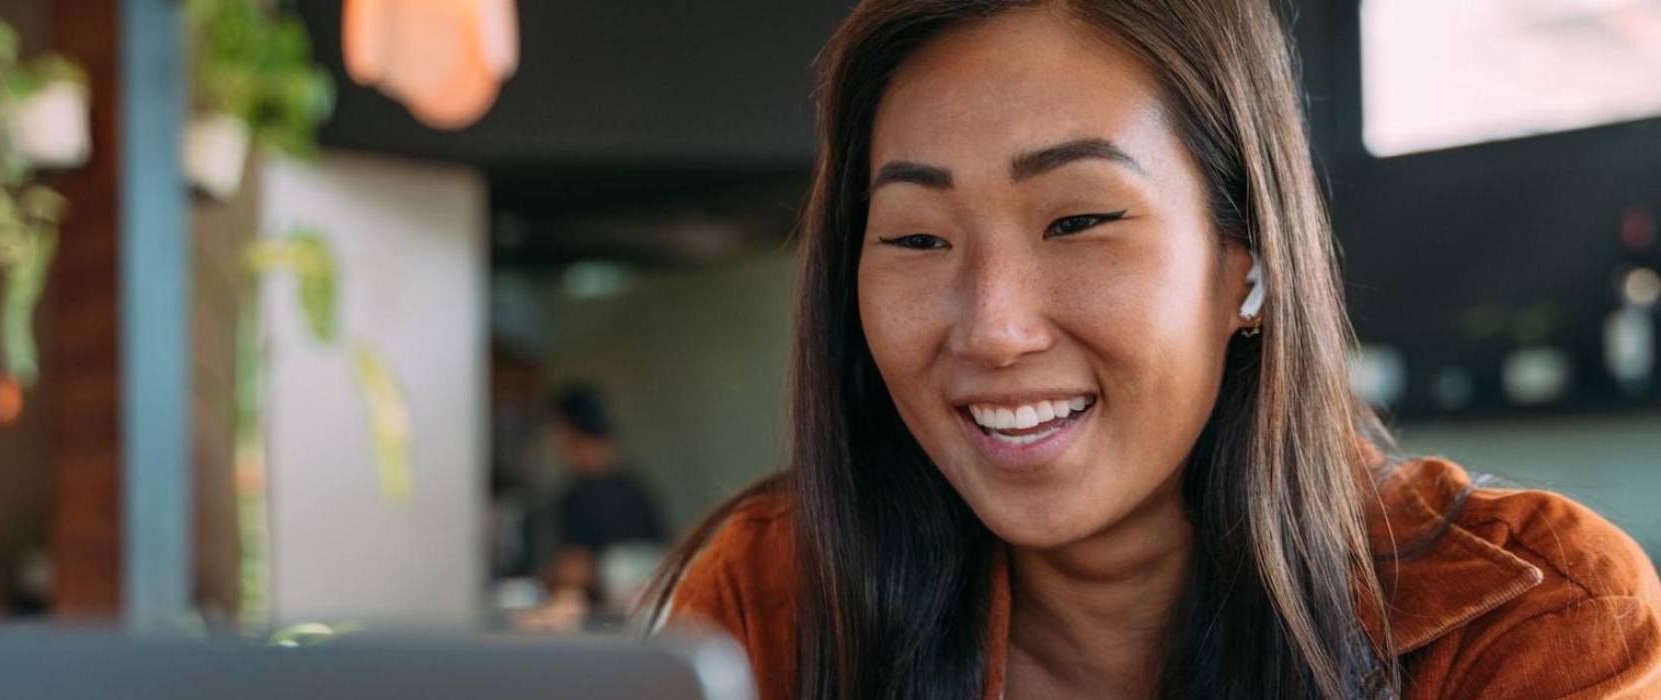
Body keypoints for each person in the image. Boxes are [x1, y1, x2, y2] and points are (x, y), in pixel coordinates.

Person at [643, 1, 1661, 699]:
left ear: (1247, 264)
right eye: (918, 237)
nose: (994, 327)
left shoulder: (1530, 621)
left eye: (1079, 221)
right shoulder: (771, 598)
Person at [541, 385, 665, 618]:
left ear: (566, 431)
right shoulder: (639, 490)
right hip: (645, 624)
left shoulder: (578, 495)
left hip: (601, 624)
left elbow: (576, 571)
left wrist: (544, 581)